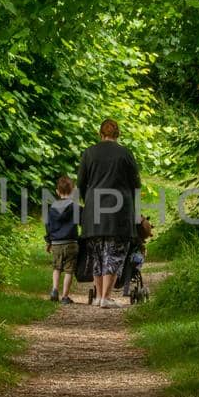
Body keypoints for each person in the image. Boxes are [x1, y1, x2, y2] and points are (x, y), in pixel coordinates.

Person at [78, 118, 141, 308]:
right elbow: (135, 184)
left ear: (100, 134)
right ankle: (105, 297)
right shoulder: (125, 154)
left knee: (96, 254)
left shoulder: (89, 153)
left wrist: (87, 200)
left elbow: (81, 183)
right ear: (118, 134)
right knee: (114, 253)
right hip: (119, 210)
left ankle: (98, 296)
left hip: (93, 210)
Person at [44, 174, 79, 304]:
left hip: (56, 243)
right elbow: (83, 221)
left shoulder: (51, 208)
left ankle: (54, 290)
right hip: (71, 243)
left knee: (56, 267)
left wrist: (49, 241)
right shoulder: (75, 207)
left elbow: (48, 226)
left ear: (57, 192)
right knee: (69, 270)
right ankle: (65, 296)